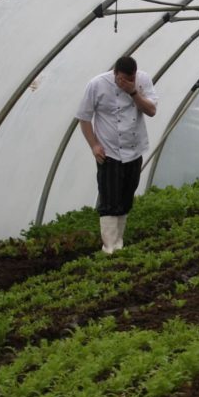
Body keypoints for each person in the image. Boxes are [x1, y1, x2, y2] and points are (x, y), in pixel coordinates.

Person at [76, 56, 158, 254]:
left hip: (135, 147)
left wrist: (133, 92)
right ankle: (109, 247)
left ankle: (118, 243)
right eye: (123, 78)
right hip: (109, 151)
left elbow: (151, 110)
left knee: (126, 196)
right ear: (115, 74)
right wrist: (94, 145)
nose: (128, 81)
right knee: (109, 198)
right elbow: (84, 118)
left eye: (131, 77)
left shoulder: (143, 80)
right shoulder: (96, 84)